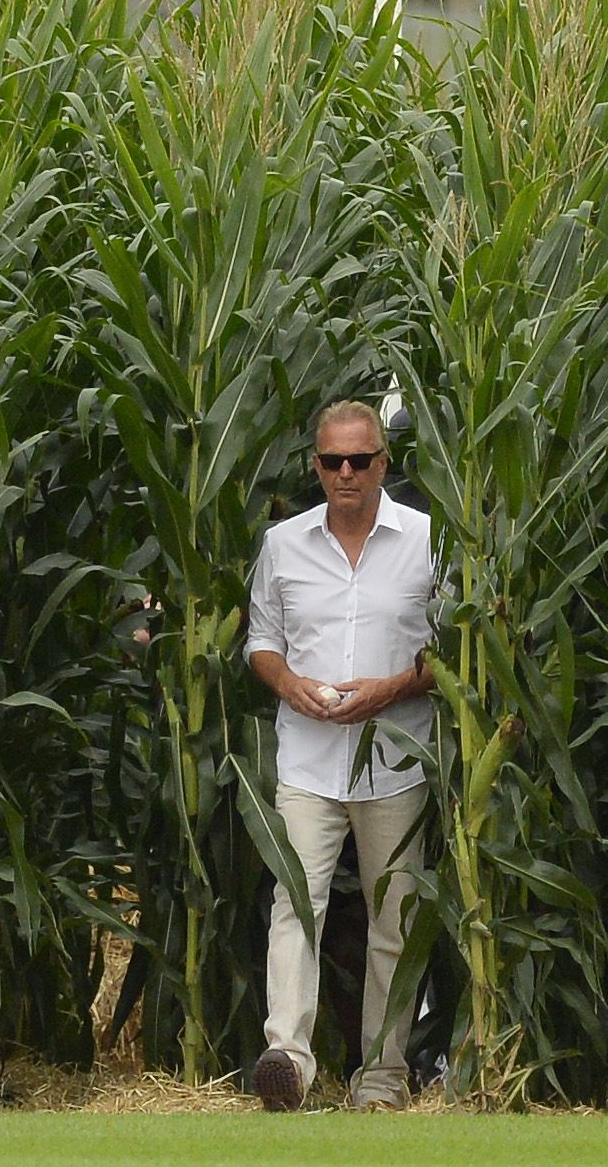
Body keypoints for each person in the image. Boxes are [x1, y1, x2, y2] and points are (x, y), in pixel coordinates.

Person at [243, 400, 437, 1111]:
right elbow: (261, 640)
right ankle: (288, 1060)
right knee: (295, 906)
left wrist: (391, 688)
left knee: (397, 918)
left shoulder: (425, 540)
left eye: (361, 459)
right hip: (309, 759)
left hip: (396, 758)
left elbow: (453, 652)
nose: (347, 472)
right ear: (316, 466)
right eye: (333, 461)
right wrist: (288, 682)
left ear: (385, 461)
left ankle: (382, 1076)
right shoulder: (283, 544)